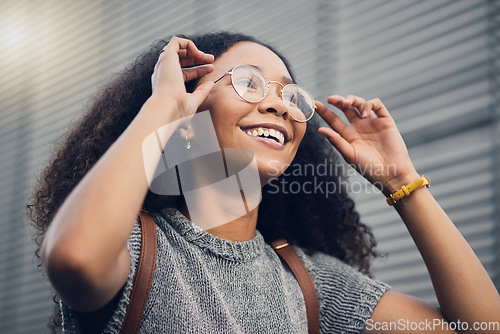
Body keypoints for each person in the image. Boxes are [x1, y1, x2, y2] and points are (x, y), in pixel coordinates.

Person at [28, 31, 500, 333]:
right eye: (249, 82)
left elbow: (481, 327)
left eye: (291, 95)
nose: (281, 105)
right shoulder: (134, 248)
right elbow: (75, 257)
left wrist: (402, 182)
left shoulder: (309, 283)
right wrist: (164, 106)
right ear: (191, 100)